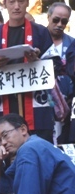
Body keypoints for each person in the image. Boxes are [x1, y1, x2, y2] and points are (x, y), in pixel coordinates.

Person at [0, 0, 55, 143]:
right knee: (7, 150)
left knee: (40, 150)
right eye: (12, 2)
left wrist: (38, 61)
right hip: (4, 101)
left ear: (27, 3)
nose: (16, 6)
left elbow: (55, 65)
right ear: (4, 4)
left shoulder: (40, 31)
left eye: (21, 1)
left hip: (36, 105)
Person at [45, 3, 74, 144]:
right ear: (48, 17)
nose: (59, 24)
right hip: (41, 102)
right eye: (56, 20)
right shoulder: (37, 38)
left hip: (66, 104)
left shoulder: (72, 43)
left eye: (64, 21)